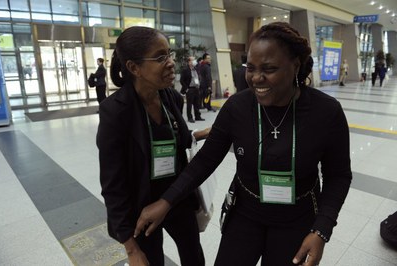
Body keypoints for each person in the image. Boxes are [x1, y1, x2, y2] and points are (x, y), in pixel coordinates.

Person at [134, 22, 352, 266]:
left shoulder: (326, 112)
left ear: (296, 66)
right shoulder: (238, 107)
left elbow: (339, 175)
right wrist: (166, 201)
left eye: (269, 69)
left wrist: (321, 230)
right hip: (245, 214)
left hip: (298, 218)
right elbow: (205, 160)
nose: (256, 78)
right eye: (251, 67)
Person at [97, 26, 210, 266]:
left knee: (194, 257)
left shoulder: (171, 98)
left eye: (169, 54)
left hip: (176, 197)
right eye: (160, 57)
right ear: (133, 67)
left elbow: (172, 138)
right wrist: (131, 249)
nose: (170, 63)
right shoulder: (115, 112)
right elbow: (112, 185)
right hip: (142, 208)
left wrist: (199, 134)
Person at [180, 56, 205, 123]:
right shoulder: (185, 70)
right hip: (190, 89)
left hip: (196, 88)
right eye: (193, 60)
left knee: (197, 103)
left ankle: (197, 116)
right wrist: (186, 89)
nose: (195, 61)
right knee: (189, 104)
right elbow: (182, 81)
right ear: (189, 62)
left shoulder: (196, 69)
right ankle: (190, 117)